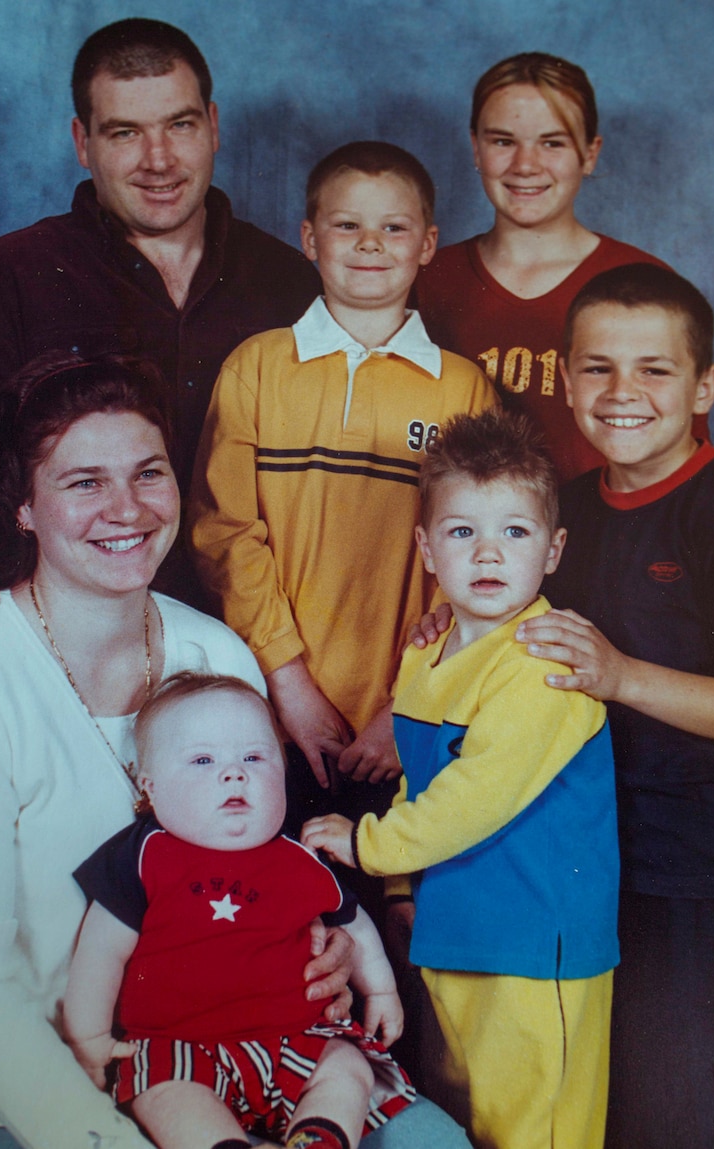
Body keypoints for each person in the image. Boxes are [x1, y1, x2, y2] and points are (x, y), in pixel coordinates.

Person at [0, 354, 470, 1149]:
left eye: (148, 473)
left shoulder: (218, 653)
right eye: (84, 483)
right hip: (6, 1088)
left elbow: (254, 861)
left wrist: (326, 947)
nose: (126, 509)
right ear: (22, 507)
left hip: (226, 1057)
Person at [0, 16, 321, 678]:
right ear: (82, 141)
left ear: (213, 125)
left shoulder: (294, 285)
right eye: (125, 132)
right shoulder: (6, 280)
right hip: (57, 657)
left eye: (180, 125)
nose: (159, 159)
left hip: (266, 663)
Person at [303, 409, 620, 1149]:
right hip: (456, 932)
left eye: (515, 531)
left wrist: (369, 845)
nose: (488, 553)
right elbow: (422, 779)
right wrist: (401, 887)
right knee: (463, 1125)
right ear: (424, 546)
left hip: (538, 952)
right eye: (461, 531)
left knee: (533, 1132)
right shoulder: (431, 647)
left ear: (553, 550)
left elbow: (472, 798)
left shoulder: (545, 664)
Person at [512, 264, 714, 1149]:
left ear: (705, 386)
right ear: (565, 376)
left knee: (688, 1113)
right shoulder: (565, 511)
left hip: (704, 876)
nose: (623, 393)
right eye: (598, 367)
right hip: (585, 862)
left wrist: (621, 676)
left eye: (655, 370)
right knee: (603, 1110)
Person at [190, 140, 496, 826]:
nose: (370, 245)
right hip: (267, 707)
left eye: (394, 227)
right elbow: (223, 533)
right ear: (308, 238)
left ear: (428, 245)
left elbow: (478, 561)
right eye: (346, 225)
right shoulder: (258, 367)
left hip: (407, 723)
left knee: (394, 911)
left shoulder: (463, 388)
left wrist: (412, 702)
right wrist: (288, 681)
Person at [66, 672, 415, 1149]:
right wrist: (88, 1036)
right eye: (203, 760)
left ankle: (319, 1136)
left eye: (253, 757)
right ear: (149, 787)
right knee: (166, 1094)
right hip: (177, 1045)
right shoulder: (146, 857)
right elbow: (101, 953)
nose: (234, 773)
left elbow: (353, 926)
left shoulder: (300, 858)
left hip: (297, 1037)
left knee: (347, 1067)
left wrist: (380, 991)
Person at [411, 51, 710, 483]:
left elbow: (686, 468)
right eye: (502, 141)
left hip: (606, 545)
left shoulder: (646, 286)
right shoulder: (425, 278)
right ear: (475, 147)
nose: (526, 165)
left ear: (590, 153)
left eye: (553, 142)